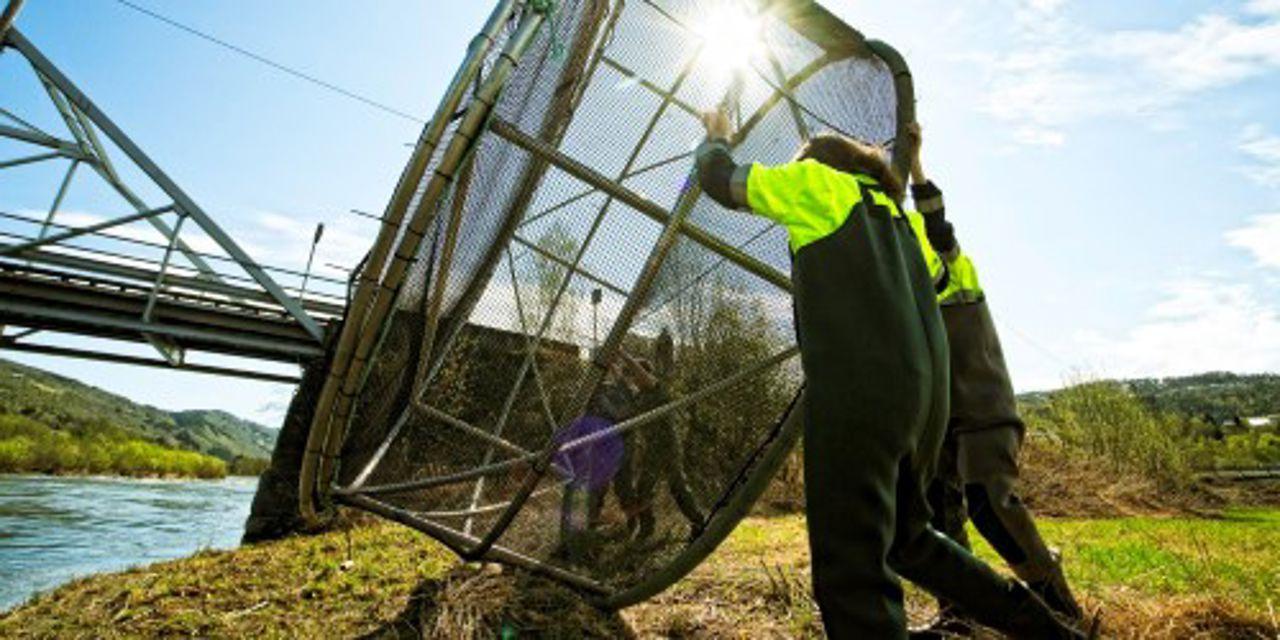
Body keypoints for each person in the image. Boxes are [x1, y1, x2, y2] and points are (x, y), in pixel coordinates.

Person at [694, 111, 1090, 639]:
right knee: (911, 541)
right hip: (925, 408)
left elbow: (721, 181)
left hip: (860, 398)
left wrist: (715, 136)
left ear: (816, 161)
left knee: (852, 564)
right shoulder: (898, 220)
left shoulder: (817, 184)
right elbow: (940, 273)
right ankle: (1052, 632)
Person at [906, 125, 1084, 637]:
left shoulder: (954, 270)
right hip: (937, 418)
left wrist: (916, 164)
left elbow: (937, 223)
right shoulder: (905, 302)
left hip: (981, 410)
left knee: (990, 505)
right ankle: (958, 616)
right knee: (941, 519)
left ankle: (1059, 609)